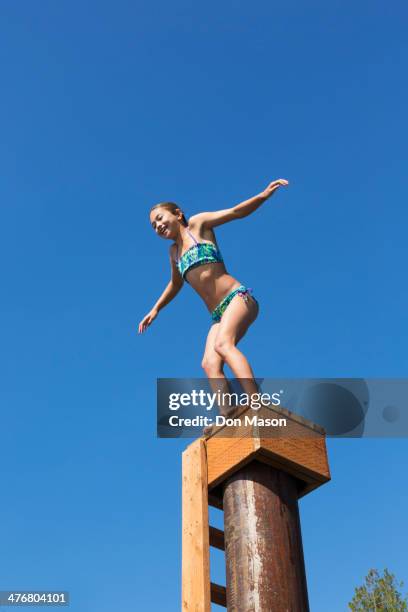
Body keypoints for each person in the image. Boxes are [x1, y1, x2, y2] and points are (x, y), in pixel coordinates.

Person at [138, 179, 288, 415]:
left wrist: (263, 195)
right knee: (209, 363)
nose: (157, 226)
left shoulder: (198, 225)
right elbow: (175, 284)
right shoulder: (174, 253)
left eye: (160, 218)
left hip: (238, 298)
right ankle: (228, 414)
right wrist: (156, 309)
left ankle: (256, 400)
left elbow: (236, 212)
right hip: (218, 315)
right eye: (152, 226)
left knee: (223, 344)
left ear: (178, 214)